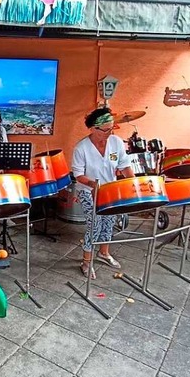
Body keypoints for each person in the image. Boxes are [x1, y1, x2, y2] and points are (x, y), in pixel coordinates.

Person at [72, 107, 134, 279]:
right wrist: (92, 184)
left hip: (109, 189)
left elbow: (125, 166)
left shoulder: (116, 143)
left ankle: (104, 253)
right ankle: (86, 262)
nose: (109, 133)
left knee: (109, 220)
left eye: (111, 128)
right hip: (88, 190)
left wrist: (134, 184)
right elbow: (78, 175)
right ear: (93, 128)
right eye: (105, 130)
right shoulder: (81, 148)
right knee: (95, 222)